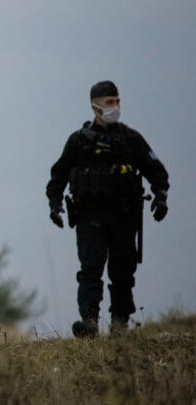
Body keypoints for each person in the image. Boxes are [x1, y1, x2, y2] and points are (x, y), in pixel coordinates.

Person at [46, 80, 169, 338]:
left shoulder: (130, 139)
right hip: (89, 217)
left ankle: (120, 324)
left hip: (124, 216)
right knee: (90, 269)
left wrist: (161, 197)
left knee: (122, 272)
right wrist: (55, 205)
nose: (115, 106)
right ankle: (89, 321)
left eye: (117, 101)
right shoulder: (79, 142)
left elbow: (157, 172)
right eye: (109, 102)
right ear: (95, 106)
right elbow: (58, 176)